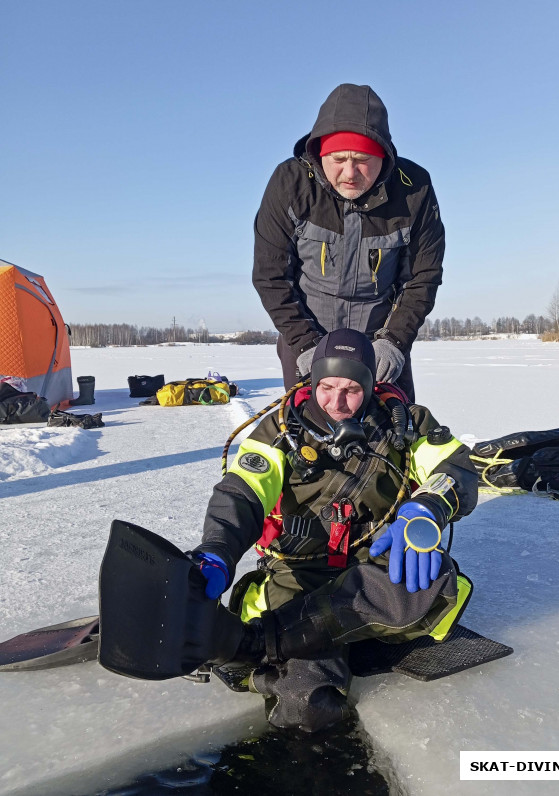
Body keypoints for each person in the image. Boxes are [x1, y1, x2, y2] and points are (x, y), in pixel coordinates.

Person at [188, 329, 478, 733]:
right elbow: (242, 493)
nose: (337, 402)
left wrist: (426, 508)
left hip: (372, 566)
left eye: (351, 390)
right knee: (307, 701)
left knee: (438, 579)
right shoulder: (279, 430)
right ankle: (288, 640)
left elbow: (456, 469)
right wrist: (217, 548)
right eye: (326, 387)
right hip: (298, 572)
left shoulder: (406, 422)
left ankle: (269, 640)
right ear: (312, 380)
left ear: (370, 386)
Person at [252, 83, 445, 402]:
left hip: (380, 340)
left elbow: (422, 277)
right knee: (308, 425)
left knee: (397, 424)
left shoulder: (414, 189)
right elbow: (270, 276)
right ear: (320, 154)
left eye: (363, 159)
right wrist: (305, 344)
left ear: (384, 156)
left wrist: (394, 342)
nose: (350, 172)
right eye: (338, 158)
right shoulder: (290, 184)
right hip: (307, 335)